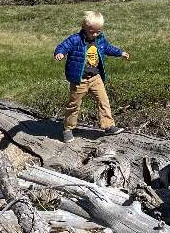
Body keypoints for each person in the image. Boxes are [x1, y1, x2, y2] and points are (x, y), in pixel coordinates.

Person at [54, 10, 130, 142]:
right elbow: (62, 46)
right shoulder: (75, 39)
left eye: (98, 31)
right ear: (84, 27)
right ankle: (68, 129)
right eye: (91, 32)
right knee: (74, 104)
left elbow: (108, 48)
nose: (94, 34)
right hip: (80, 79)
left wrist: (120, 53)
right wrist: (60, 53)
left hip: (96, 78)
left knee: (103, 101)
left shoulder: (100, 40)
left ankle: (108, 126)